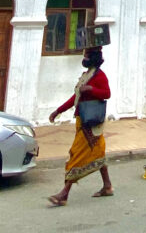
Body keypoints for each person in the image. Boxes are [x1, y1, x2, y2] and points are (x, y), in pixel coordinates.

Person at [47, 46, 113, 207]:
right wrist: (58, 111)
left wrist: (91, 89)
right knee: (97, 154)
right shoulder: (86, 75)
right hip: (82, 121)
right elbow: (75, 97)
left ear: (93, 58)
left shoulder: (99, 76)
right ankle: (107, 186)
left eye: (86, 56)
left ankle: (64, 194)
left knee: (77, 154)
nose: (84, 59)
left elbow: (106, 93)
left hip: (91, 123)